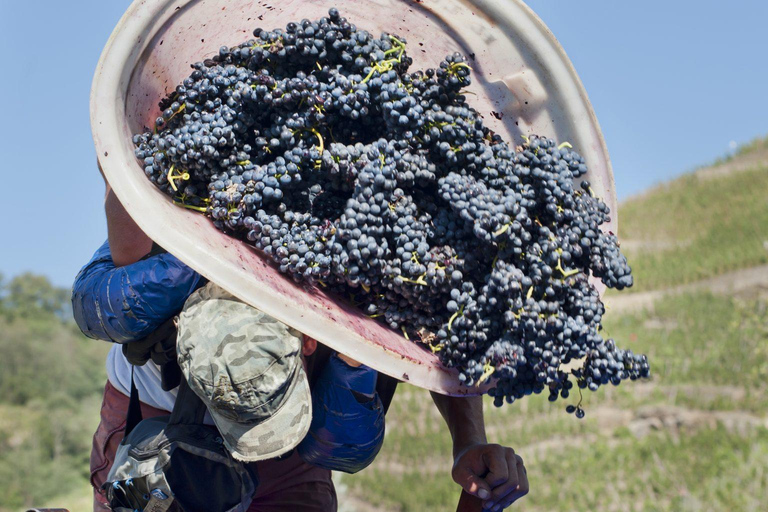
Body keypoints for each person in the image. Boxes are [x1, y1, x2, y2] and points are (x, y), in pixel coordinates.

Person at [73, 166, 529, 511]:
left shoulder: (360, 279)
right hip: (160, 423)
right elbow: (117, 168)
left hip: (297, 452)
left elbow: (446, 336)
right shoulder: (145, 285)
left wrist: (468, 443)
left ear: (307, 342)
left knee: (342, 435)